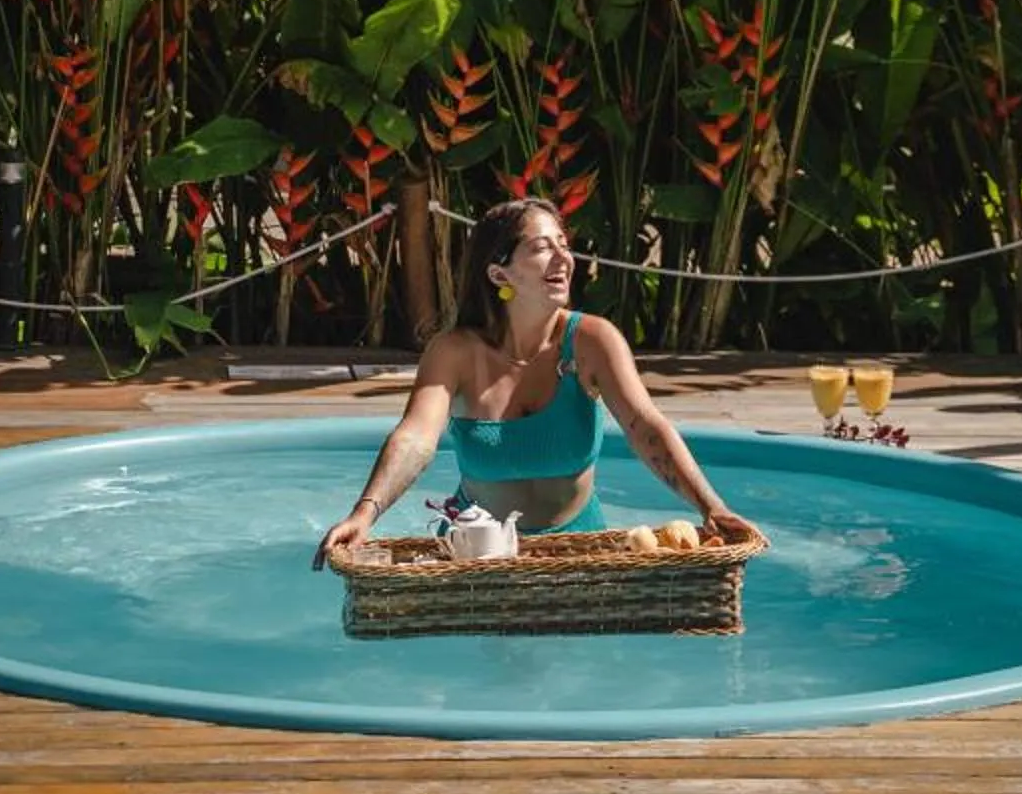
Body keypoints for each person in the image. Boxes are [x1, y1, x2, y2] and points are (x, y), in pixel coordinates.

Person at [313, 195, 756, 568]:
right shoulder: (454, 352)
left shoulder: (593, 341)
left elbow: (644, 426)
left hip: (580, 548)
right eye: (543, 247)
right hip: (474, 555)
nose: (564, 258)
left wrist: (710, 506)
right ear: (498, 274)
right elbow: (415, 439)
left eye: (564, 244)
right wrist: (364, 514)